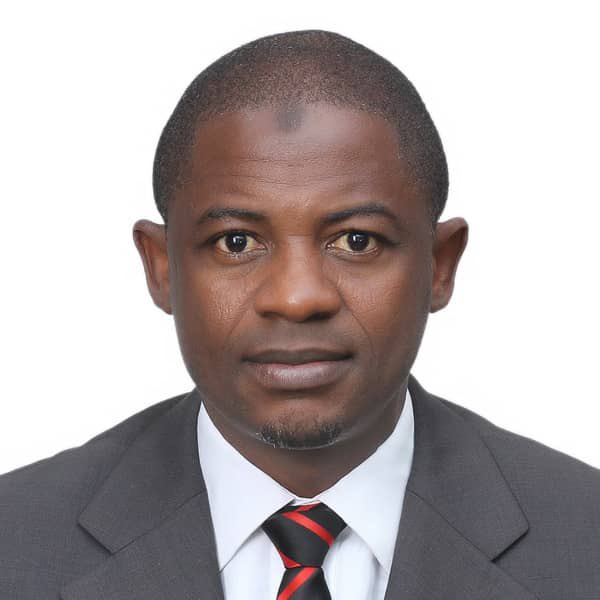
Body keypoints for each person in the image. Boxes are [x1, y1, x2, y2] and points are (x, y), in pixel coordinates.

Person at [0, 29, 598, 600]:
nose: (297, 298)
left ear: (440, 265)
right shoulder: (16, 539)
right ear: (161, 268)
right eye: (236, 242)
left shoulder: (583, 535)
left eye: (357, 241)